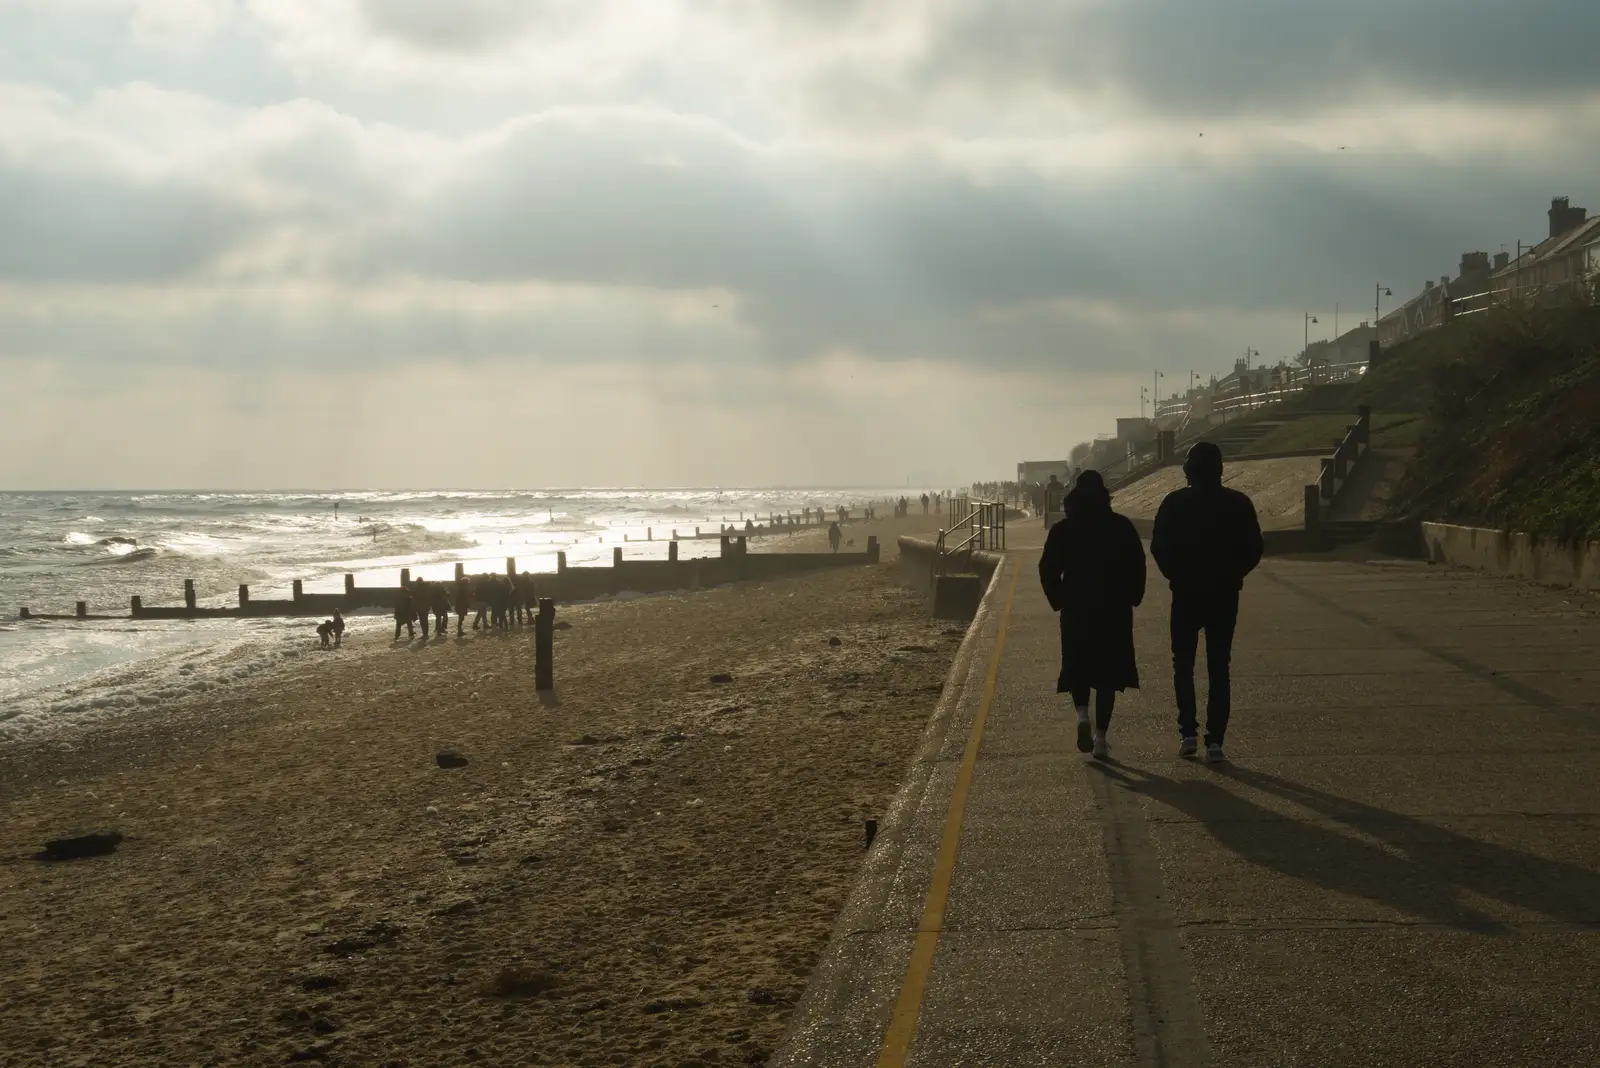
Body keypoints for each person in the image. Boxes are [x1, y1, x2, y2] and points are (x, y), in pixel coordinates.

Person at [1151, 442, 1264, 764]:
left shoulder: (1174, 503)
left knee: (1183, 664)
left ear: (1188, 471)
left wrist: (1175, 575)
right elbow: (1255, 547)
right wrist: (1235, 574)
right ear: (1220, 470)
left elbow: (1159, 546)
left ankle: (1188, 733)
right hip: (1224, 594)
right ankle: (1215, 740)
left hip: (1185, 593)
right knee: (1219, 665)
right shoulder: (1238, 503)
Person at [1038, 470, 1146, 759]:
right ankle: (1100, 738)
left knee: (1078, 664)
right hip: (1114, 609)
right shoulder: (1121, 526)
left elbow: (1048, 567)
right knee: (1108, 674)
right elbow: (1137, 564)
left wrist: (1058, 598)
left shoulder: (1063, 529)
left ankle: (1082, 715)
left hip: (1076, 607)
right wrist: (1133, 596)